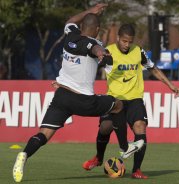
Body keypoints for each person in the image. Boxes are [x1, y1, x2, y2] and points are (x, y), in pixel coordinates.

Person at [12, 5, 144, 183]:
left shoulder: (70, 35)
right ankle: (125, 147)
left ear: (82, 26)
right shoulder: (94, 44)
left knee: (44, 134)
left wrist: (91, 11)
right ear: (97, 30)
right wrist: (101, 54)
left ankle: (24, 154)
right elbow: (94, 49)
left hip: (61, 97)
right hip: (83, 100)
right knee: (118, 105)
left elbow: (70, 21)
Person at [82, 24, 179, 179]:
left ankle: (137, 170)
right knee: (105, 126)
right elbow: (89, 68)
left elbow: (153, 68)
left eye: (129, 41)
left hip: (135, 99)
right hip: (115, 99)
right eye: (124, 41)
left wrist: (171, 85)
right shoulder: (108, 52)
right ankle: (98, 158)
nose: (127, 45)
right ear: (118, 38)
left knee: (140, 127)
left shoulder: (138, 51)